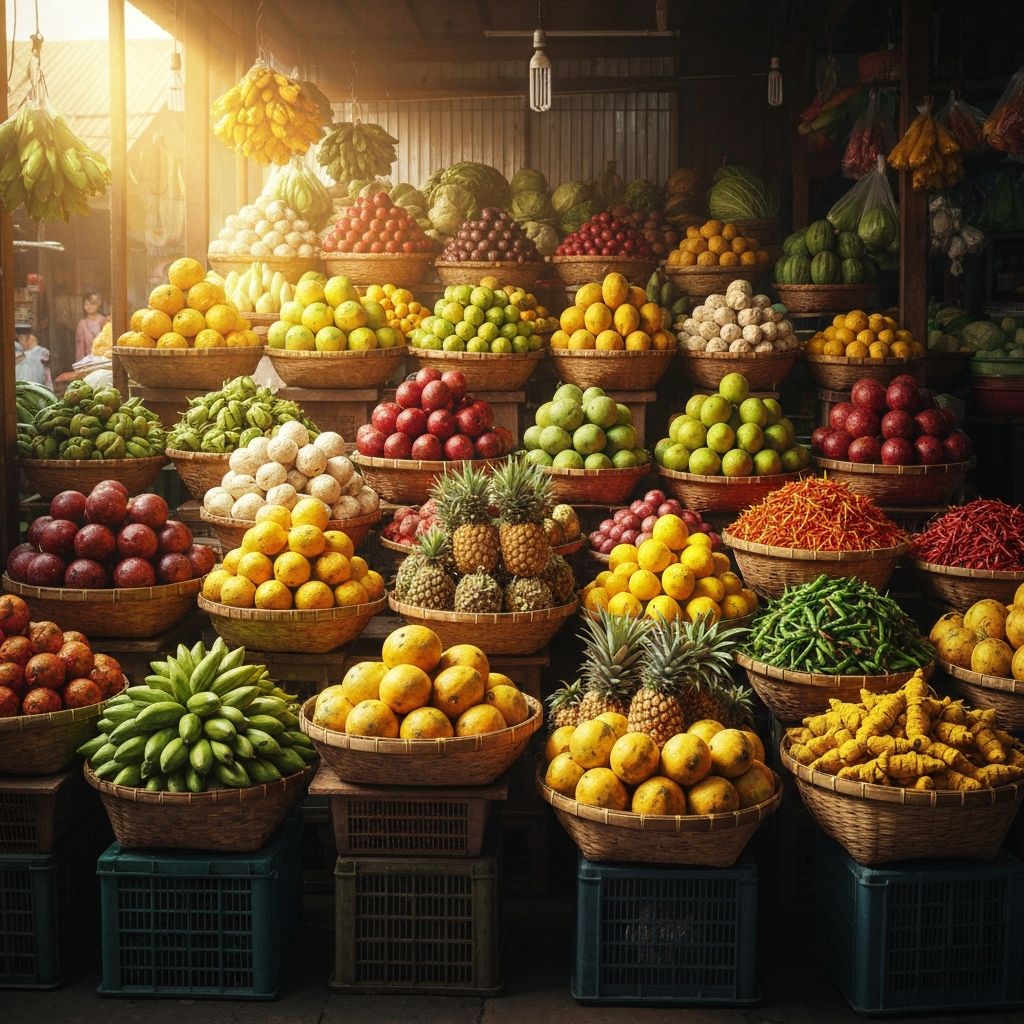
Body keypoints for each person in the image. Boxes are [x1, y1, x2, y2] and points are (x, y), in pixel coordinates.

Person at [74, 291, 110, 363]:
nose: (89, 306)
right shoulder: (82, 324)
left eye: (92, 303)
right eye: (86, 304)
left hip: (104, 362)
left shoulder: (105, 321)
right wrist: (80, 366)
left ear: (98, 304)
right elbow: (79, 348)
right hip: (88, 363)